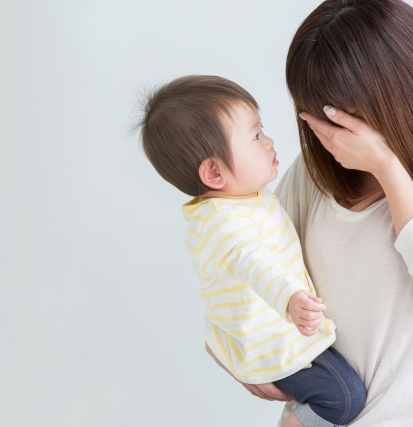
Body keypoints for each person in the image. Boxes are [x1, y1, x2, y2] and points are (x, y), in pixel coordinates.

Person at [207, 1, 413, 426]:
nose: (327, 136)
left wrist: (385, 166)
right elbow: (240, 263)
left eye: (339, 117)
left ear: (394, 91)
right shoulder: (316, 174)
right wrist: (247, 358)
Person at [137, 75, 366, 427]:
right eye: (256, 136)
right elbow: (253, 263)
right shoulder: (225, 224)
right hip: (272, 341)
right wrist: (289, 298)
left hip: (273, 331)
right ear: (213, 172)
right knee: (343, 398)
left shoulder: (240, 203)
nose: (270, 141)